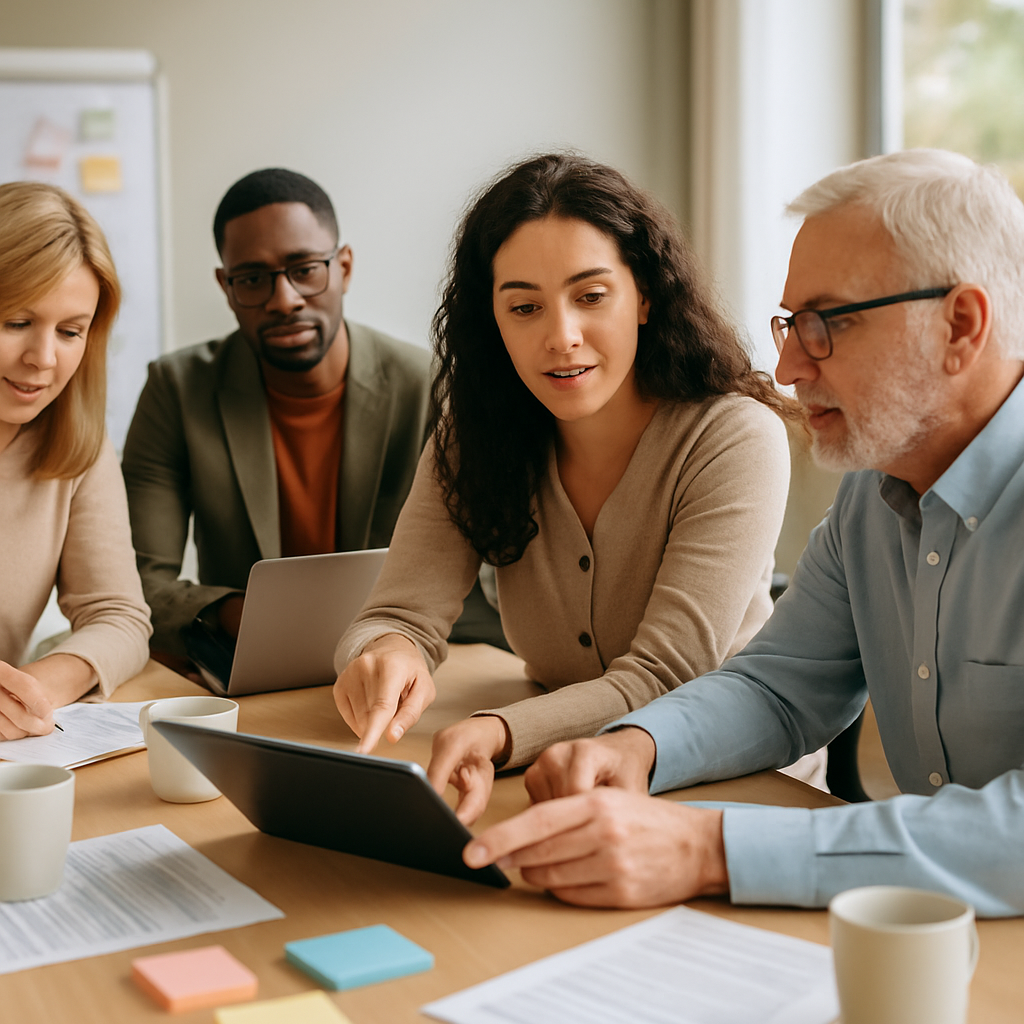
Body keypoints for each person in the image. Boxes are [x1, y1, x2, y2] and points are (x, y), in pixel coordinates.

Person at [461, 149, 1024, 919]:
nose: (787, 367)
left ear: (960, 325)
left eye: (825, 324)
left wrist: (704, 850)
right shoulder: (873, 495)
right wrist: (634, 748)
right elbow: (778, 685)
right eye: (790, 325)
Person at [334, 153, 816, 825]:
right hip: (553, 768)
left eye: (591, 297)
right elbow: (399, 614)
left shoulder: (734, 436)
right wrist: (382, 653)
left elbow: (663, 678)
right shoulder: (472, 434)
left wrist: (501, 732)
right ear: (493, 321)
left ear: (644, 294)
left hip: (725, 776)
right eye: (524, 307)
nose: (561, 337)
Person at [122, 168, 498, 667]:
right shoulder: (178, 389)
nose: (284, 300)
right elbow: (133, 583)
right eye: (252, 279)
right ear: (226, 286)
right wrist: (248, 614)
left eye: (305, 269)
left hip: (407, 664)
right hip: (254, 665)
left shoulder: (430, 385)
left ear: (343, 267)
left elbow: (487, 576)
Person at [0, 182, 151, 740]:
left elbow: (121, 617)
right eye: (16, 322)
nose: (42, 359)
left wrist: (32, 689)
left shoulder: (77, 443)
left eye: (70, 332)